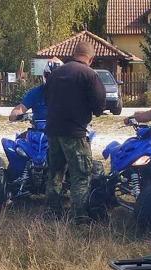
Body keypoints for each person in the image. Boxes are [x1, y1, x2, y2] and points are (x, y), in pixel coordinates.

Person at [43, 41, 106, 222]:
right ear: (91, 58)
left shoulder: (55, 74)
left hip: (53, 131)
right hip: (75, 133)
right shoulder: (89, 74)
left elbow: (46, 98)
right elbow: (99, 105)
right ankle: (79, 216)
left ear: (74, 54)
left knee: (55, 174)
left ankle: (52, 213)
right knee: (81, 175)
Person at [10, 59, 62, 124]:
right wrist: (16, 114)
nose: (53, 79)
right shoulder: (35, 93)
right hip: (39, 129)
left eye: (57, 76)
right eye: (49, 76)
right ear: (44, 75)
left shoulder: (69, 92)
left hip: (63, 129)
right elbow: (20, 108)